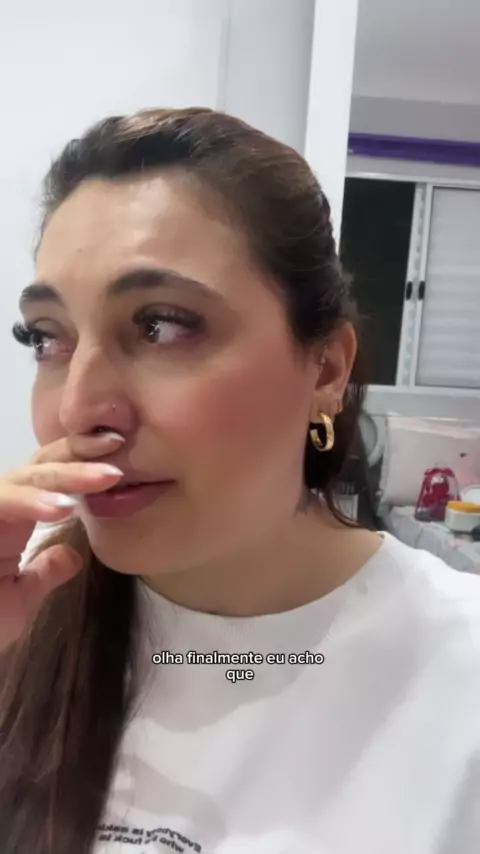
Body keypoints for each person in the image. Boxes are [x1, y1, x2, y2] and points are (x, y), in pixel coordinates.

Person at [0, 108, 478, 854]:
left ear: (326, 369)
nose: (77, 409)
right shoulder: (23, 611)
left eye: (161, 325)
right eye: (48, 339)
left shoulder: (458, 674)